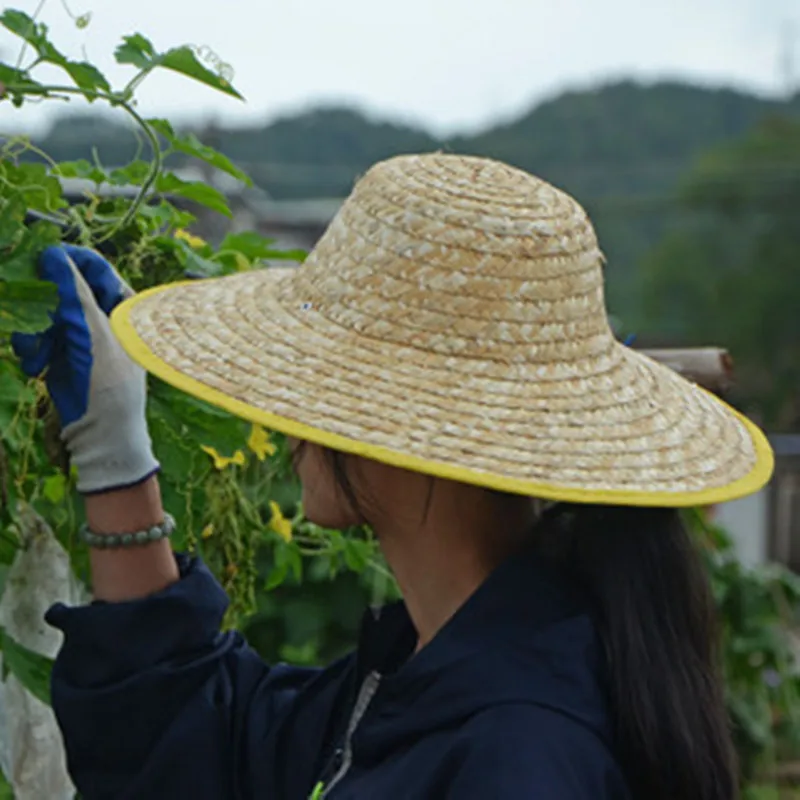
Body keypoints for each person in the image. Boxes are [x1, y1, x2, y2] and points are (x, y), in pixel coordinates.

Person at [11, 154, 773, 800]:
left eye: (316, 380)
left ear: (394, 436)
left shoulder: (519, 751)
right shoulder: (454, 667)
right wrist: (113, 454)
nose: (287, 422)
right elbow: (198, 743)